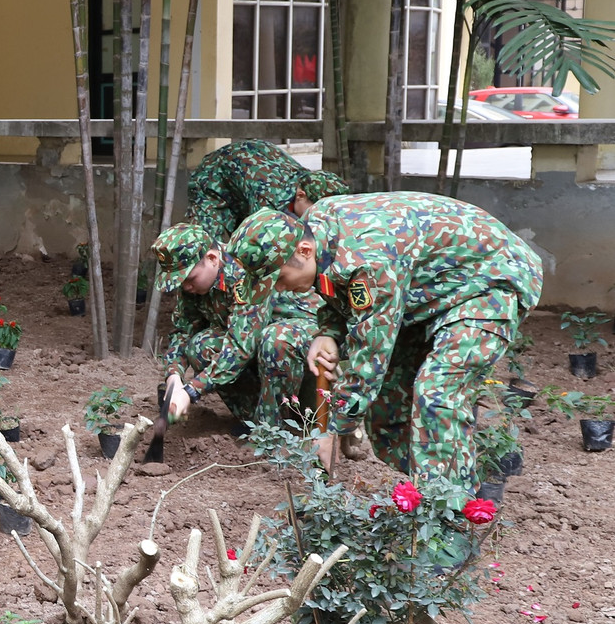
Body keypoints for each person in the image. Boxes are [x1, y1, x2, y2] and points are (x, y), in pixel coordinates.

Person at [223, 193, 544, 487]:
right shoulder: (316, 231)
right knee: (386, 415)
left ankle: (449, 523)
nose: (278, 290)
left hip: (488, 282)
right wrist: (328, 334)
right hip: (429, 294)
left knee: (437, 391)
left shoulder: (367, 258)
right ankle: (465, 478)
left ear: (304, 251)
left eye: (278, 279)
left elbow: (371, 354)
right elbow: (343, 296)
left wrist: (332, 429)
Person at [152, 222, 318, 430]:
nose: (186, 287)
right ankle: (256, 423)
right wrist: (173, 377)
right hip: (263, 352)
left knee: (275, 340)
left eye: (189, 279)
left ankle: (277, 431)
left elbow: (241, 347)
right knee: (201, 346)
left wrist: (192, 390)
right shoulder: (193, 285)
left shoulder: (244, 271)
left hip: (304, 352)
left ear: (212, 258)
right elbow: (183, 330)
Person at [186, 139, 350, 242]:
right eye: (318, 212)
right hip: (212, 178)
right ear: (301, 195)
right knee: (206, 248)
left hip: (247, 176)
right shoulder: (270, 202)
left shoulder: (308, 182)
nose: (322, 219)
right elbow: (257, 245)